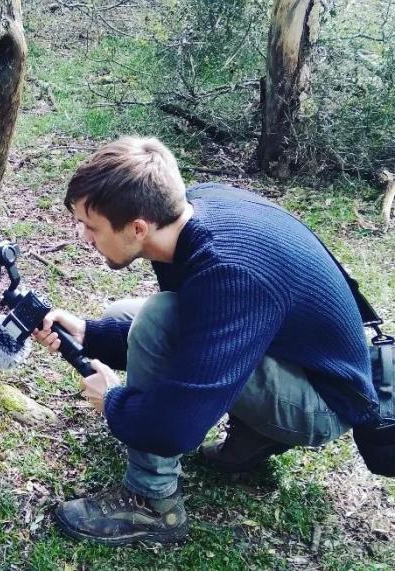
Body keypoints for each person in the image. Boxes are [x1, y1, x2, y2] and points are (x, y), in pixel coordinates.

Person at [33, 137, 376, 545]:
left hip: (324, 401)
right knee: (125, 316)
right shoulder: (191, 212)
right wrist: (90, 335)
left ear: (138, 227)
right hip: (296, 357)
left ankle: (152, 503)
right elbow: (201, 327)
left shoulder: (228, 272)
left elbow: (174, 428)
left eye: (92, 227)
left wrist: (113, 400)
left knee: (157, 318)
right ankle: (255, 436)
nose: (83, 237)